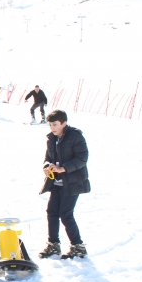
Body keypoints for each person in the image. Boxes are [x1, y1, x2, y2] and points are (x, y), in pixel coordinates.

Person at [39, 110, 90, 260]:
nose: (52, 127)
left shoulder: (75, 136)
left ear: (64, 123)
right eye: (50, 124)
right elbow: (48, 158)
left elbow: (82, 158)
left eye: (55, 124)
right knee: (52, 212)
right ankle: (53, 244)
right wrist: (46, 166)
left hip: (73, 182)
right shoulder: (51, 139)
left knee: (66, 215)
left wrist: (64, 168)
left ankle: (78, 246)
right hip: (56, 182)